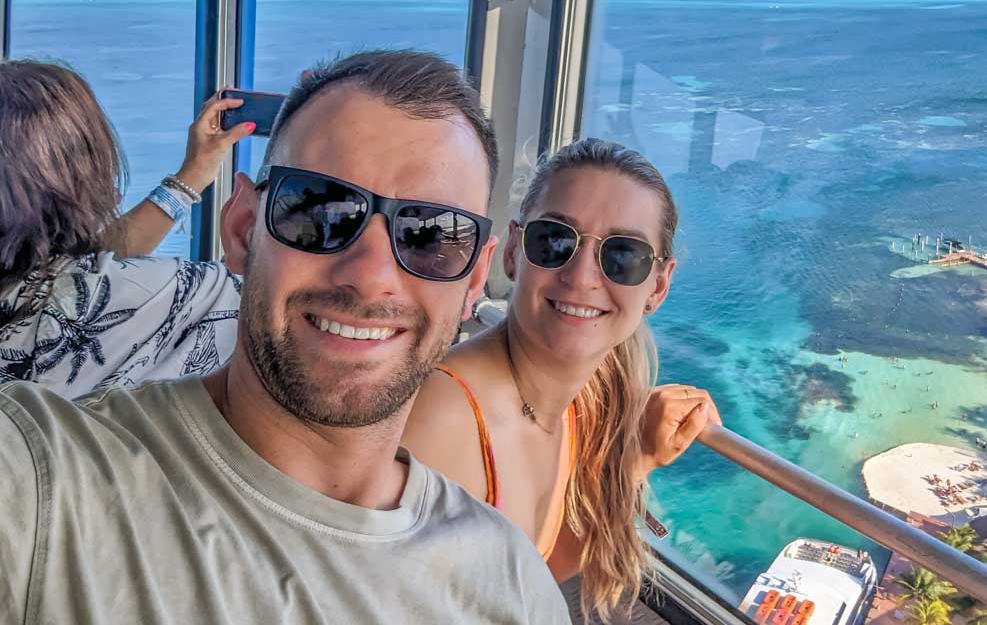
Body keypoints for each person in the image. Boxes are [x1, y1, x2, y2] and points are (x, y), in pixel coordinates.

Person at [0, 50, 569, 624]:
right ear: (243, 230)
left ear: (474, 278)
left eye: (431, 235)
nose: (370, 277)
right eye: (319, 211)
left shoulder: (513, 585)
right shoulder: (41, 480)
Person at [403, 138, 722, 620]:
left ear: (658, 286)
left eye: (623, 255)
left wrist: (634, 459)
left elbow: (533, 572)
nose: (581, 277)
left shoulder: (577, 404)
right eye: (553, 241)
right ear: (513, 251)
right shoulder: (445, 422)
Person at [0, 60, 253, 391]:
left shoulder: (34, 287)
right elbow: (267, 298)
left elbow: (76, 269)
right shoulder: (154, 296)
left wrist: (191, 176)